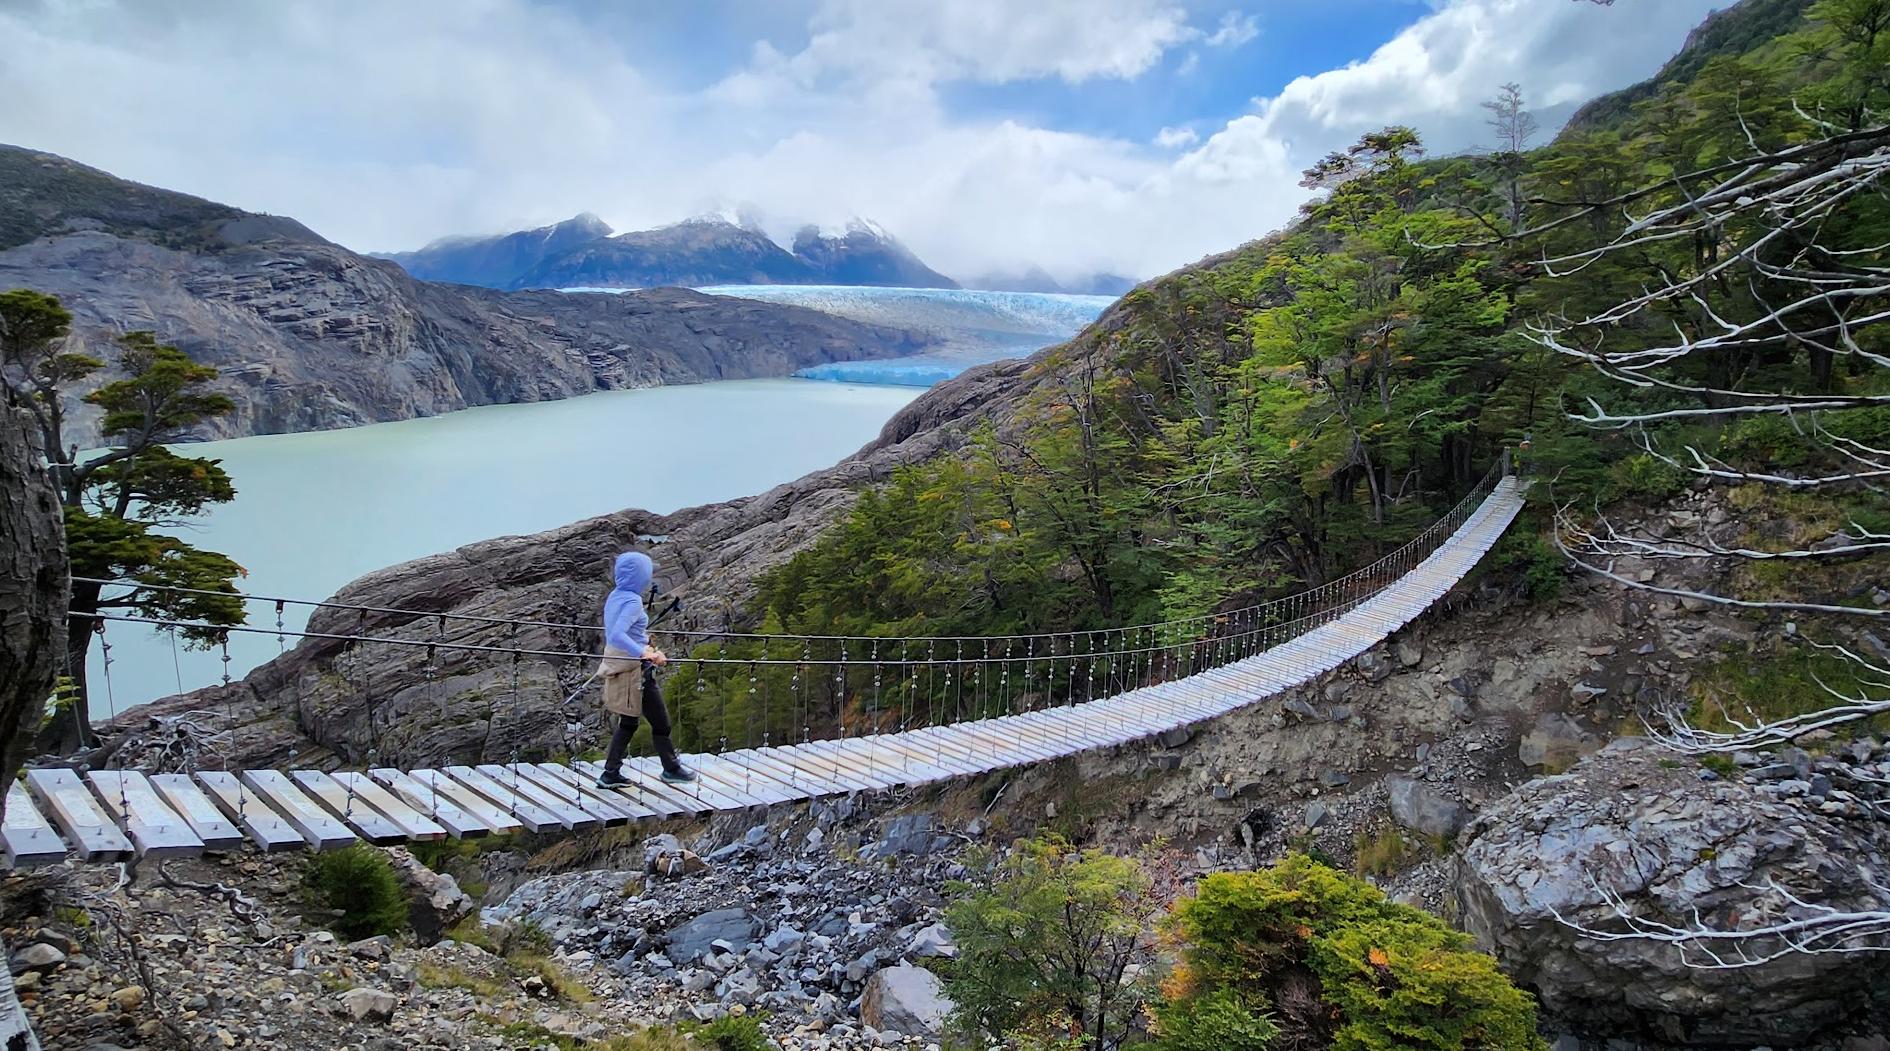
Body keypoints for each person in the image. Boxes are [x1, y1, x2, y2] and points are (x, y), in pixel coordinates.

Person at [596, 551, 695, 787]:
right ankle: (670, 769)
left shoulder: (615, 596)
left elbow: (618, 634)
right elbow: (618, 634)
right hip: (636, 670)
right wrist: (645, 653)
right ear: (640, 577)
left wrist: (644, 645)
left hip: (624, 666)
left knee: (629, 722)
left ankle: (611, 773)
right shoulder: (633, 601)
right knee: (660, 723)